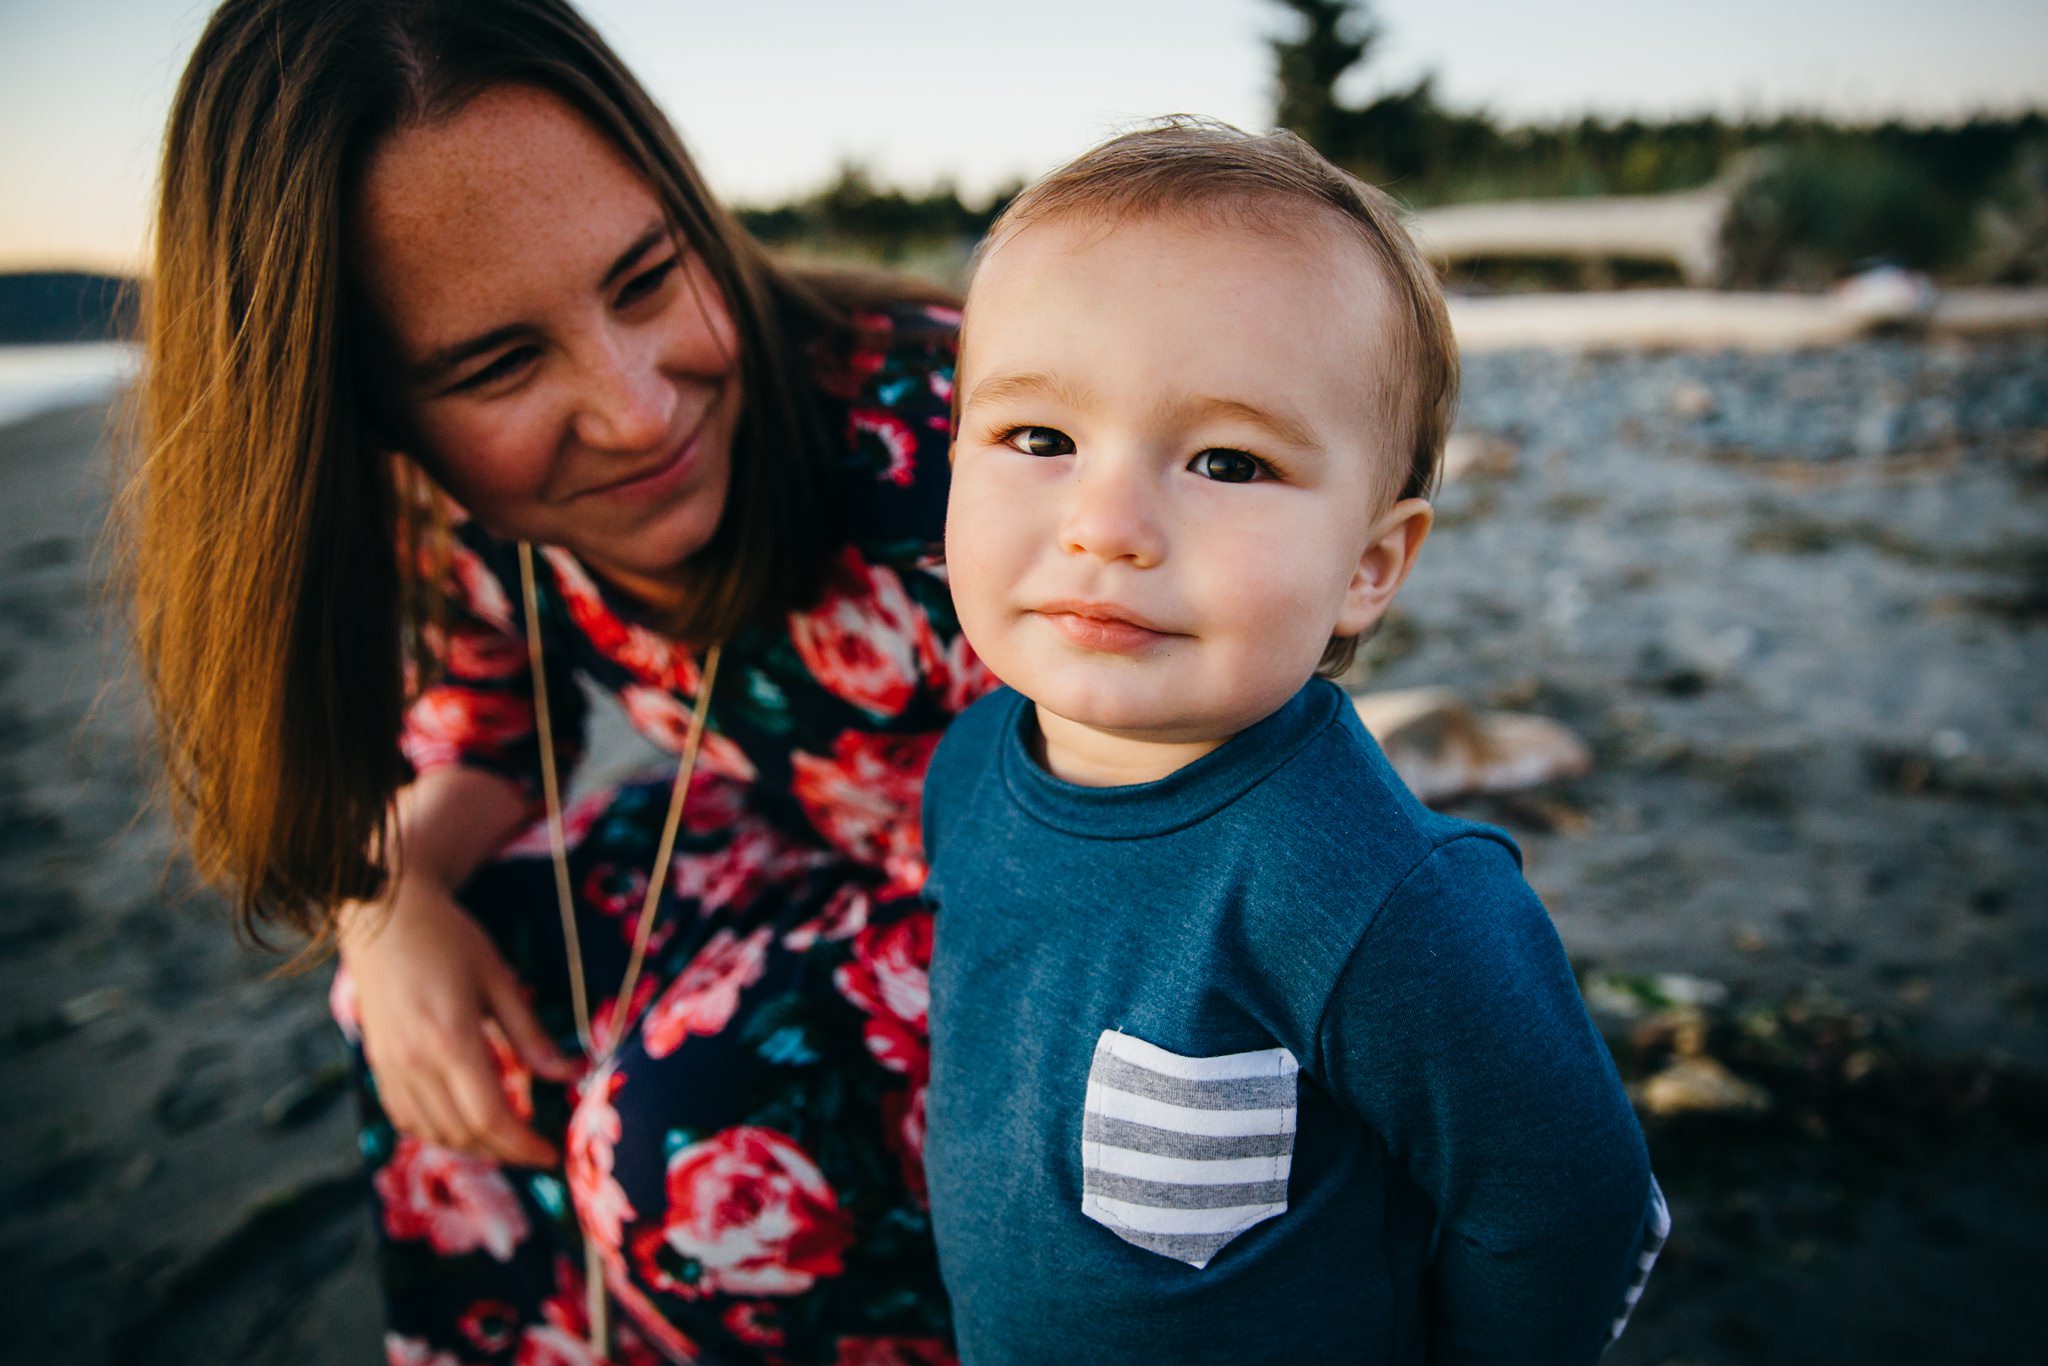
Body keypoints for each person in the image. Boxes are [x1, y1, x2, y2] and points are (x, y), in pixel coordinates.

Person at [128, 1, 988, 1361]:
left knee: (673, 1128)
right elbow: (486, 731)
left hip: (1087, 906)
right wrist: (388, 904)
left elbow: (1202, 828)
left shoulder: (953, 446)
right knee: (434, 982)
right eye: (502, 363)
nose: (638, 404)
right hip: (829, 854)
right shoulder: (472, 522)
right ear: (368, 417)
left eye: (647, 278)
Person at [920, 121, 1667, 1364]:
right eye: (1038, 439)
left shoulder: (1371, 892)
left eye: (1225, 460)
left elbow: (1570, 1201)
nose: (1106, 524)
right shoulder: (964, 774)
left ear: (1369, 566)